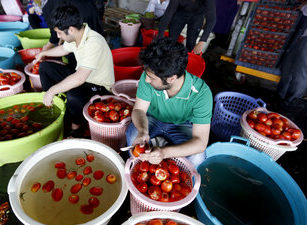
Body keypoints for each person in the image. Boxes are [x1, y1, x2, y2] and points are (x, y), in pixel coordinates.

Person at [126, 38, 213, 167]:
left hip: (183, 125)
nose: (147, 80)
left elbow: (200, 142)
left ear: (171, 78)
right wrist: (143, 130)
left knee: (198, 157)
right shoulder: (147, 76)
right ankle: (137, 169)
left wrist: (164, 153)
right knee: (133, 134)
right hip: (152, 119)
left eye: (152, 78)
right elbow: (139, 110)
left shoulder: (201, 93)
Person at [34, 5, 114, 137]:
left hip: (98, 87)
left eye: (59, 33)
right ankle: (54, 105)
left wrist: (52, 90)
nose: (58, 36)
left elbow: (79, 78)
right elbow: (64, 49)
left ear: (71, 30)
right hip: (83, 77)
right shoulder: (78, 34)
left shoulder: (94, 42)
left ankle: (76, 127)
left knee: (74, 94)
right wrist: (44, 54)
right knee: (45, 67)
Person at [276, 2, 307, 109]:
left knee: (300, 74)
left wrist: (304, 6)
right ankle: (279, 100)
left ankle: (289, 105)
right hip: (303, 35)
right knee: (287, 68)